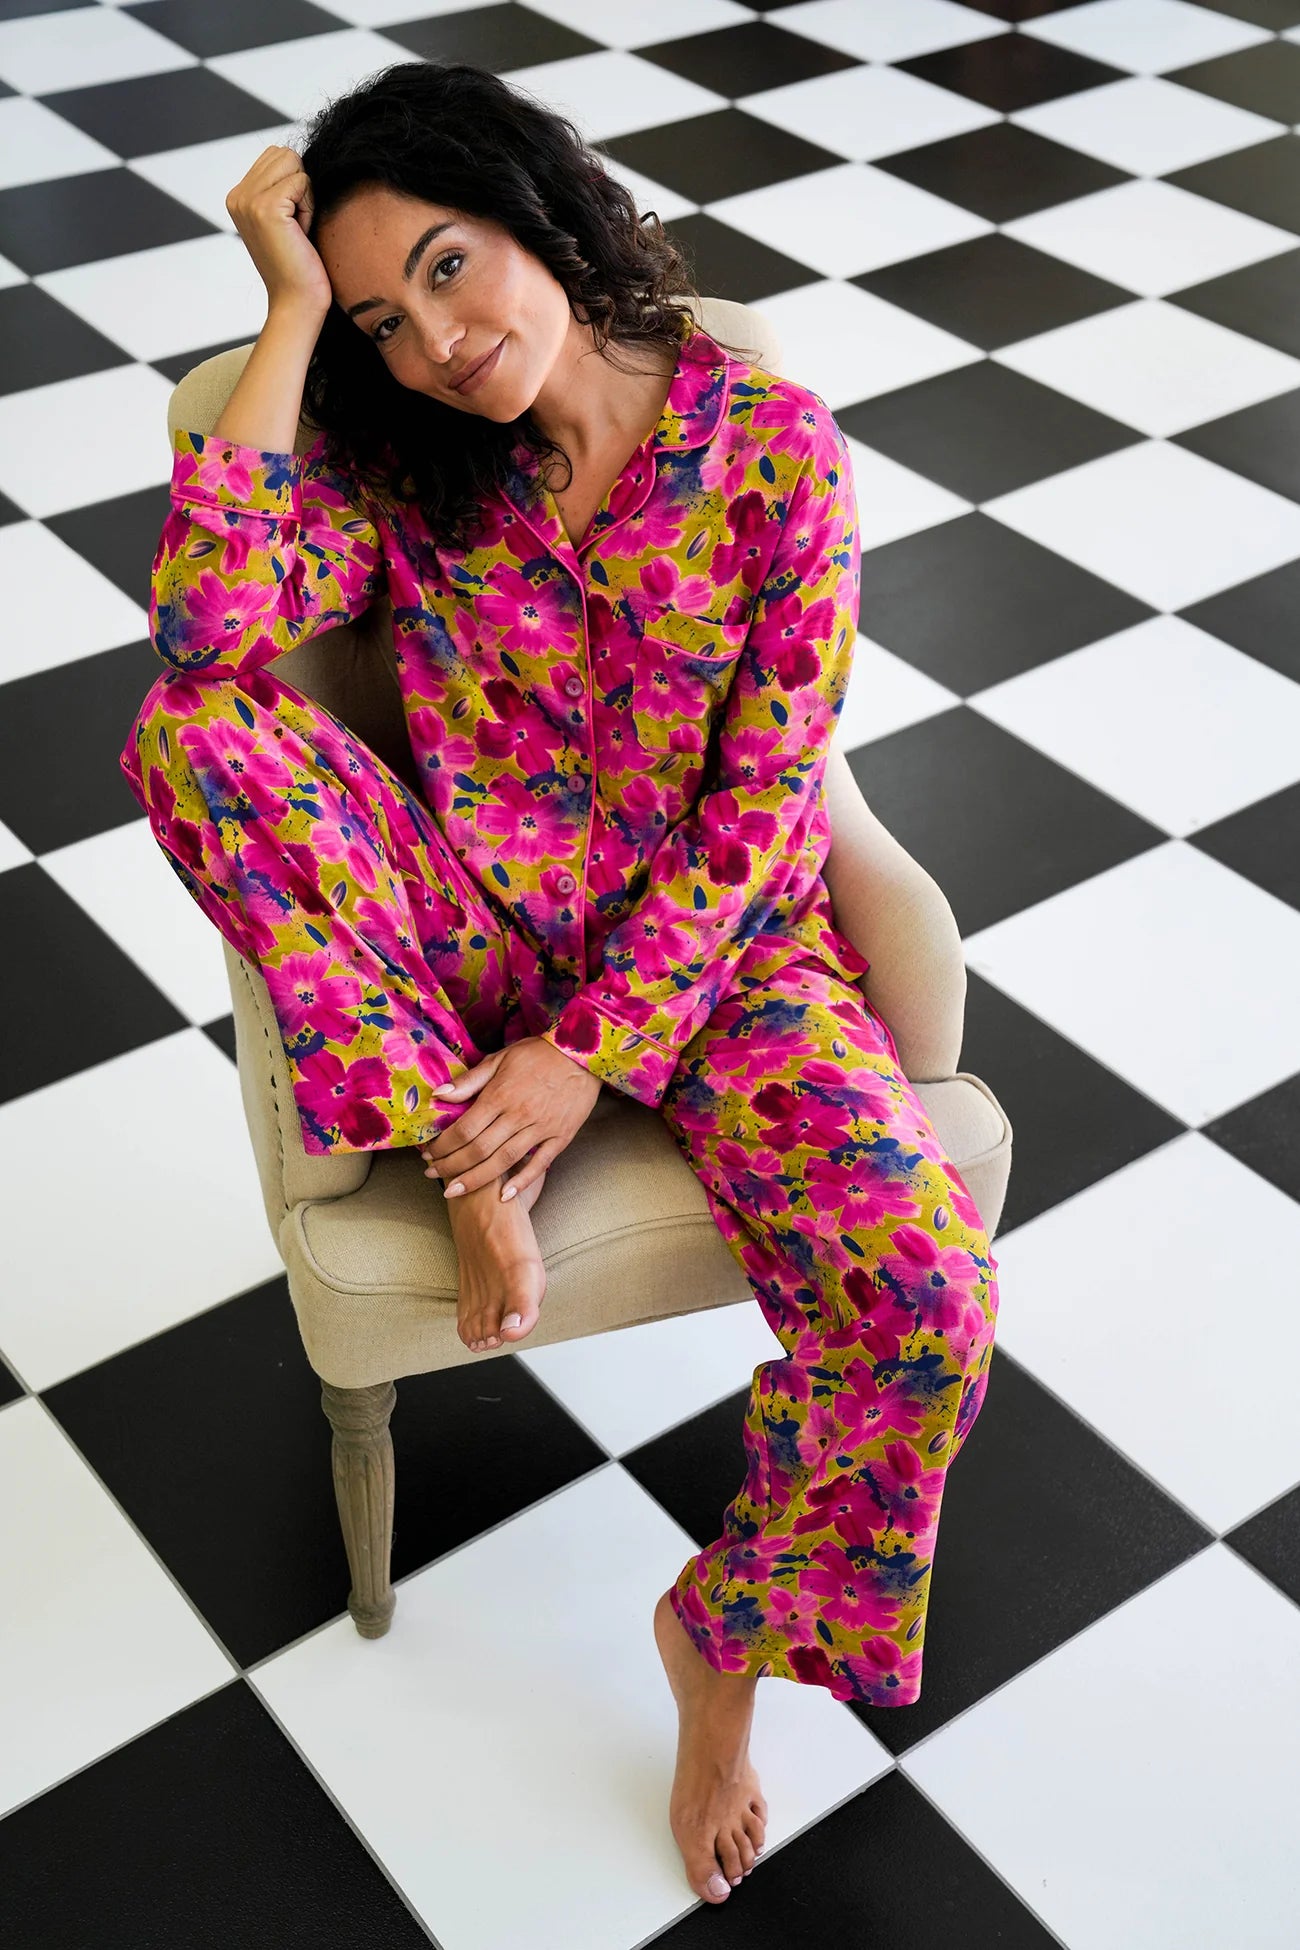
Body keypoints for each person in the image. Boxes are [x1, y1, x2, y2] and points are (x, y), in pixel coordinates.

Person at [119, 59, 1001, 1910]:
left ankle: (721, 1642)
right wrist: (288, 313)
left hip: (721, 959)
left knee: (926, 1294)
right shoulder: (403, 461)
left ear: (537, 210)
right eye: (384, 313)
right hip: (464, 921)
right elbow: (208, 636)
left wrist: (585, 1060)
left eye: (448, 266)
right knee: (193, 732)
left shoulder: (775, 449)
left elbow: (768, 812)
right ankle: (465, 1153)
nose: (436, 339)